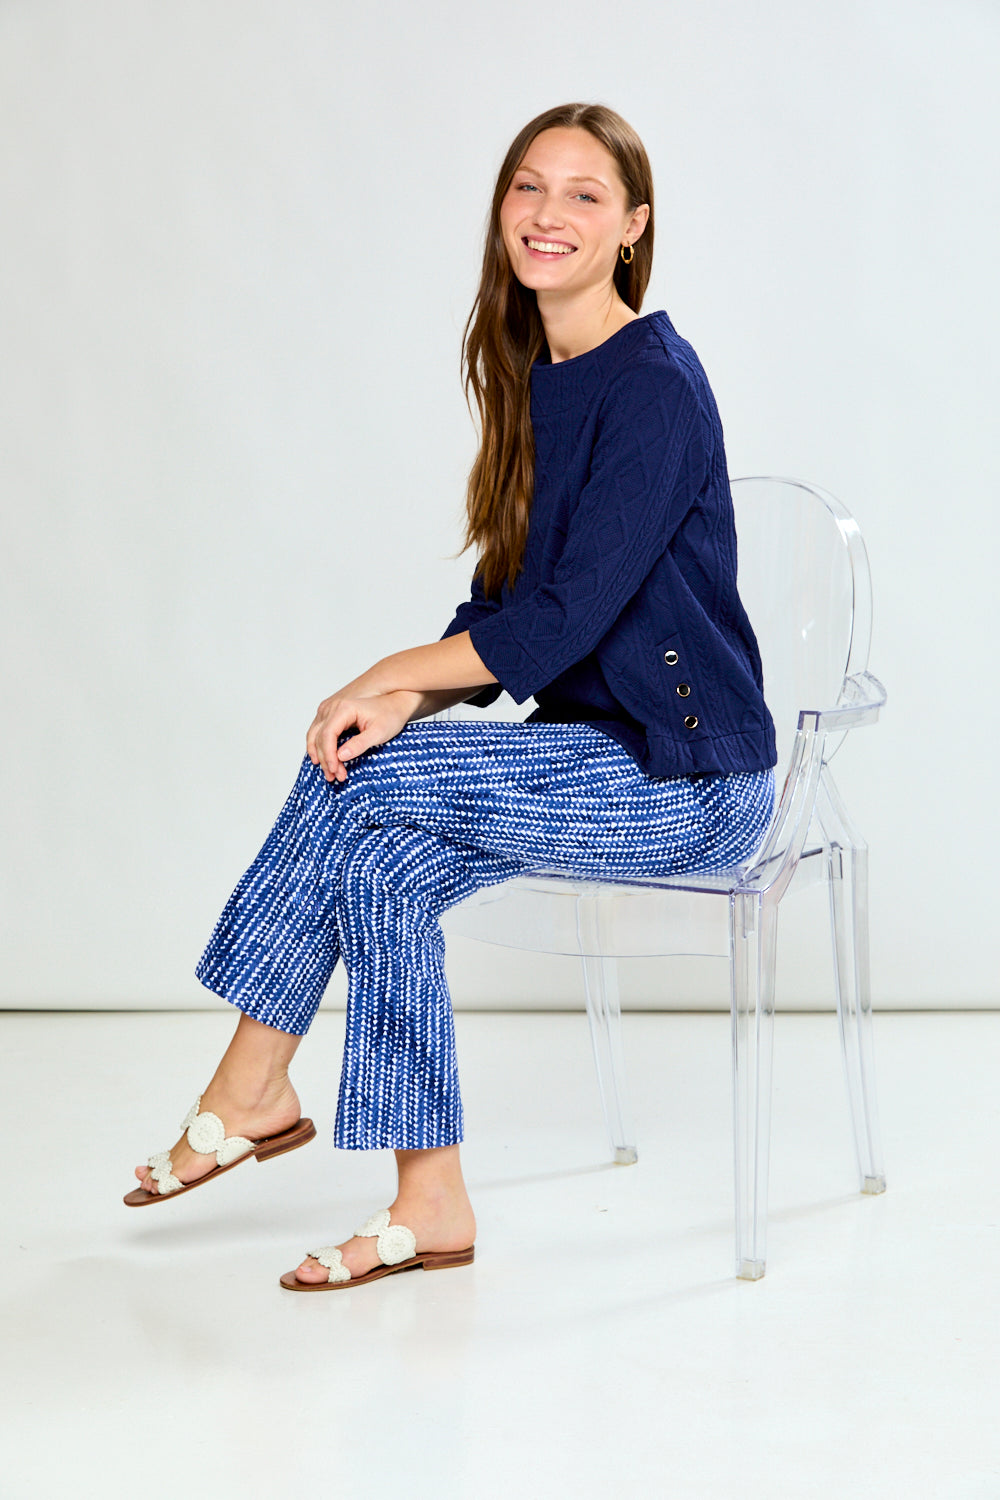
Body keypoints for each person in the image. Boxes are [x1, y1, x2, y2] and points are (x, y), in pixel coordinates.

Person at [125, 102, 777, 1291]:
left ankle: (250, 1084)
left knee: (361, 775)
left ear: (633, 227)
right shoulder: (538, 377)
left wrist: (379, 678)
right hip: (583, 756)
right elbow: (500, 605)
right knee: (378, 855)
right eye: (529, 186)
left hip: (687, 778)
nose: (547, 213)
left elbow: (561, 622)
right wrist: (408, 701)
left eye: (584, 194)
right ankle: (429, 1202)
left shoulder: (654, 387)